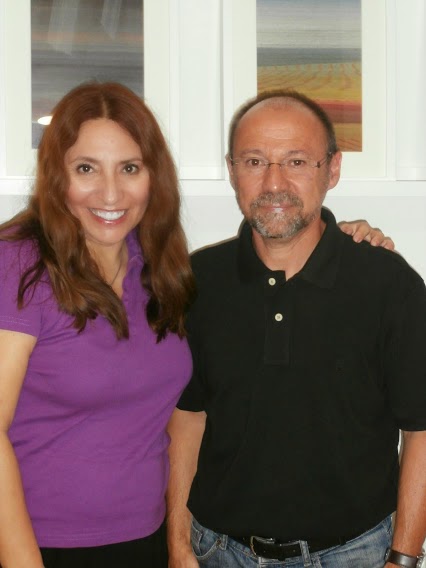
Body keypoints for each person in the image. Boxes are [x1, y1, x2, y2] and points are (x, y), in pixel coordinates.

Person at [167, 90, 426, 568]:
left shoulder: (389, 284)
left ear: (333, 169)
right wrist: (179, 547)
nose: (274, 182)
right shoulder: (198, 281)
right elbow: (188, 417)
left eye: (297, 161)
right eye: (254, 161)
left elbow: (421, 431)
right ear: (232, 171)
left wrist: (403, 559)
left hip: (355, 554)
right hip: (218, 551)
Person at [0, 82, 196, 568]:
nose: (111, 193)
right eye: (86, 168)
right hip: (41, 547)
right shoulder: (19, 264)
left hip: (144, 540)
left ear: (153, 176)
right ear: (57, 176)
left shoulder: (159, 267)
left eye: (129, 168)